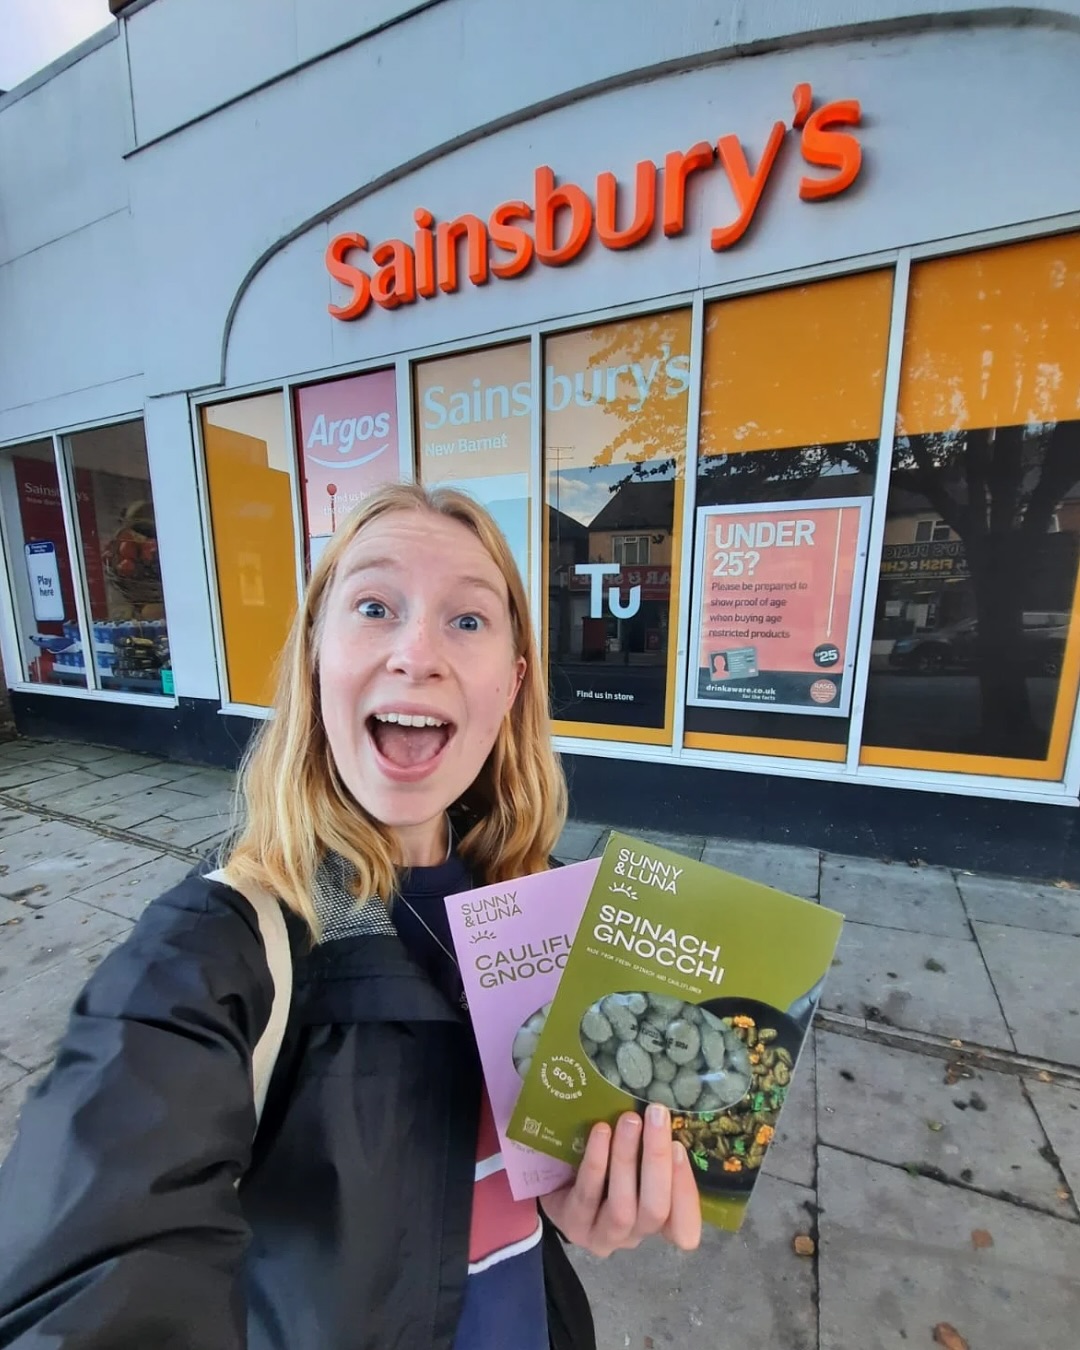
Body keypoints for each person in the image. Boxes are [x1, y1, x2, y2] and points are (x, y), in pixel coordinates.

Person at [0, 483, 701, 1350]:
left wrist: (580, 1194)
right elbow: (89, 1267)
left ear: (512, 683)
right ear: (316, 657)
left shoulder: (546, 906)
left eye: (468, 620)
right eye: (374, 607)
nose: (418, 653)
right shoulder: (219, 947)